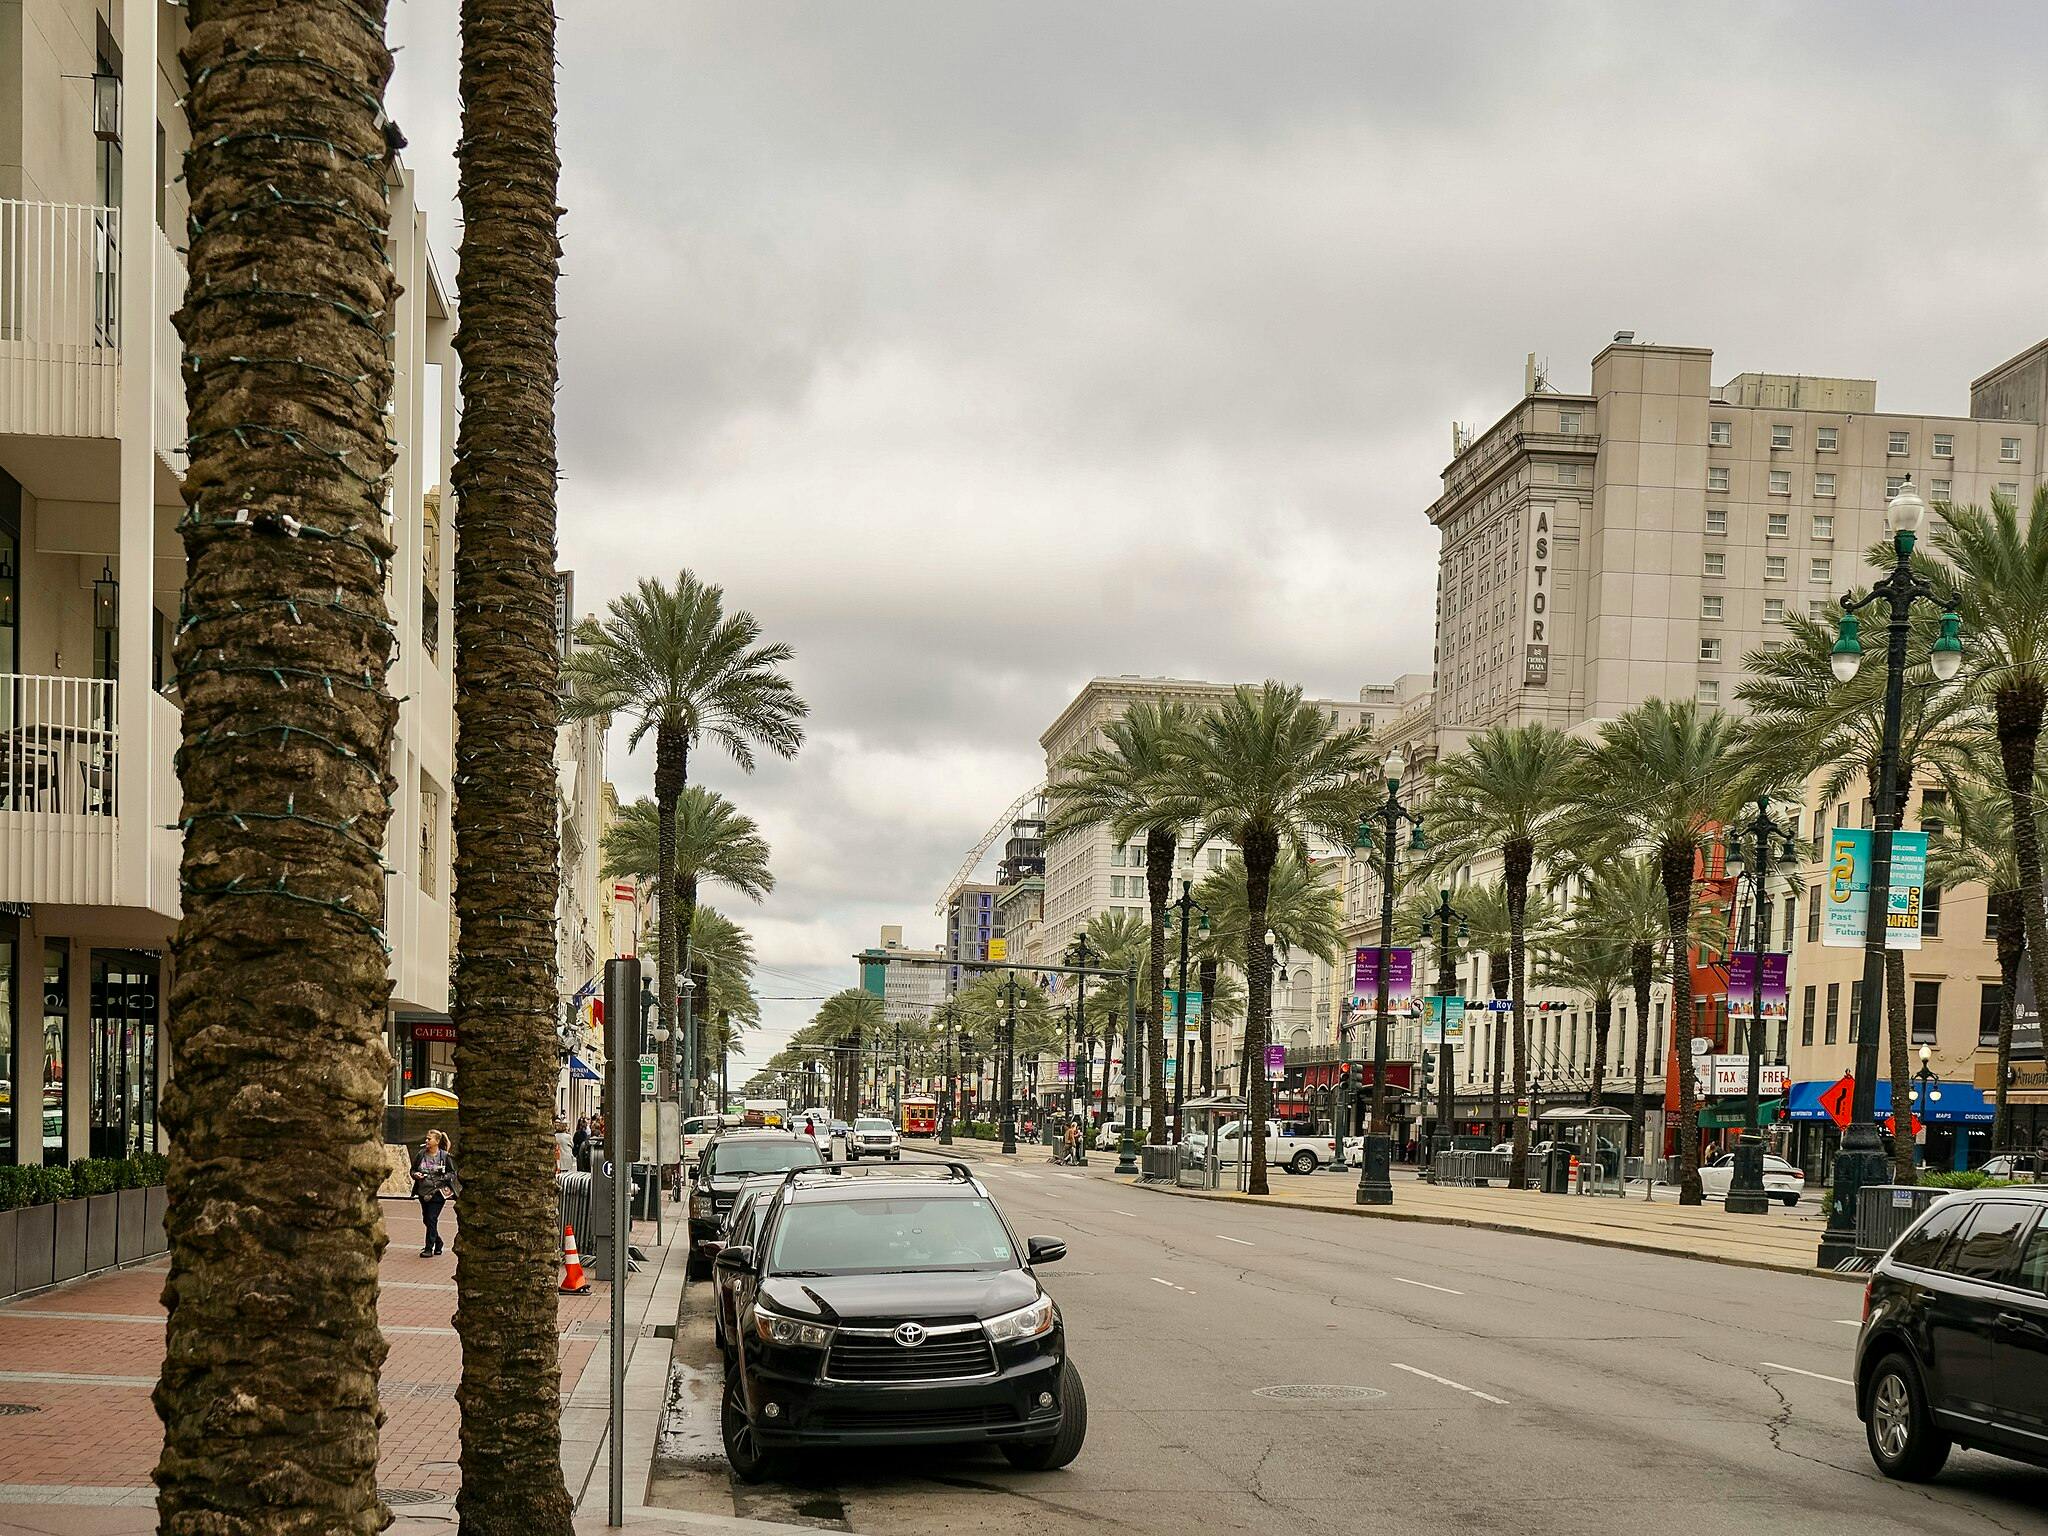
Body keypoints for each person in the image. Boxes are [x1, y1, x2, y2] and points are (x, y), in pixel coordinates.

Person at [411, 1130, 460, 1258]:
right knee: (426, 1219)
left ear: (437, 1141)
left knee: (432, 1218)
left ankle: (429, 1248)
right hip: (423, 1192)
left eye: (429, 1139)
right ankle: (438, 1242)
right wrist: (416, 1175)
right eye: (426, 1139)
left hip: (438, 1192)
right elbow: (413, 1170)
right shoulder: (421, 1154)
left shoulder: (444, 1156)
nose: (426, 1141)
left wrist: (444, 1176)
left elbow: (452, 1173)